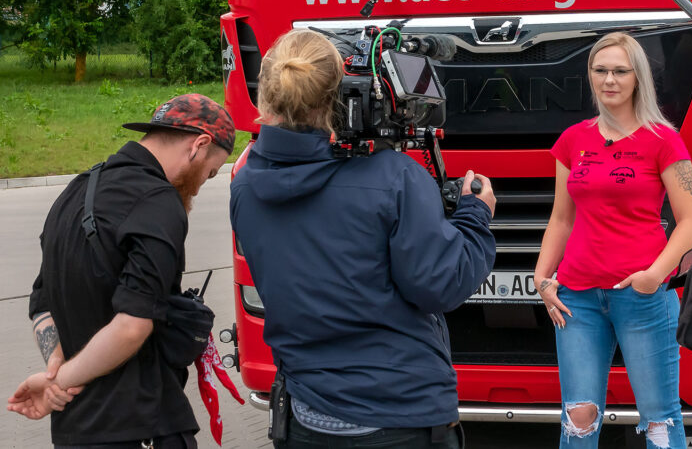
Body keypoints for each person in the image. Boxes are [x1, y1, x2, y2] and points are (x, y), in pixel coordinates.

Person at [229, 29, 496, 449]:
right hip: (400, 414)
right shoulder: (394, 177)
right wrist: (476, 215)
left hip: (303, 414)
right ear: (341, 97)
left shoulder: (245, 183)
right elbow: (442, 285)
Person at [8, 94, 235, 448]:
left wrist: (55, 366)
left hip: (76, 429)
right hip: (141, 425)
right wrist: (61, 380)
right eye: (211, 172)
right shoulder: (159, 201)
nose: (203, 183)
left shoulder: (76, 190)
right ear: (199, 145)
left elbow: (42, 301)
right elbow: (132, 326)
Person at [534, 32, 692, 449]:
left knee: (660, 421)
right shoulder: (573, 140)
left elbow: (691, 220)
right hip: (577, 299)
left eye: (620, 71)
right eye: (600, 70)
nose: (609, 80)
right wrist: (541, 279)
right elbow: (561, 218)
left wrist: (655, 276)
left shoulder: (664, 140)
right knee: (578, 416)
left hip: (642, 296)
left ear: (637, 77)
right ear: (590, 76)